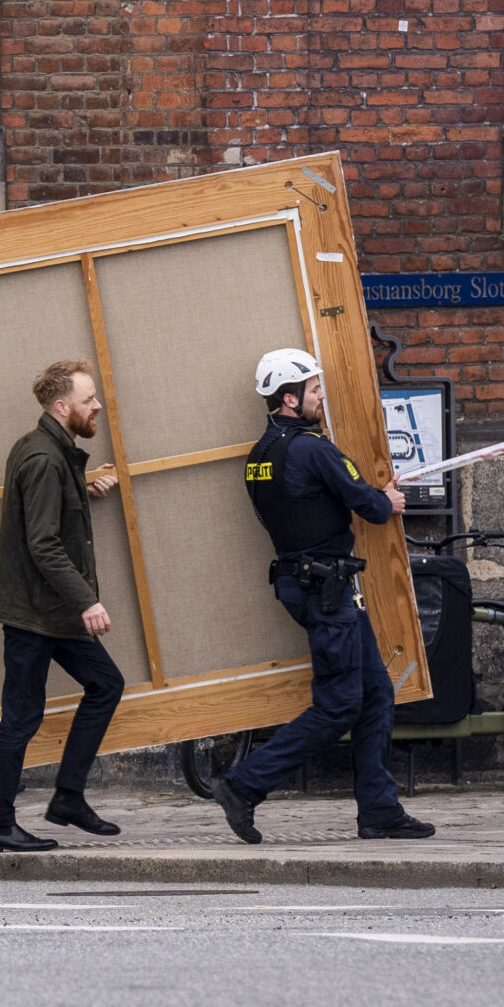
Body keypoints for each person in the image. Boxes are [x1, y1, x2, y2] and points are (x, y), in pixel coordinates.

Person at [212, 350, 435, 843]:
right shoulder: (313, 448)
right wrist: (388, 500)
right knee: (338, 706)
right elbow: (371, 507)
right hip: (327, 590)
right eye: (314, 390)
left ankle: (379, 810)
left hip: (307, 585)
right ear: (289, 398)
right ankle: (243, 785)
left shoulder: (260, 457)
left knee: (376, 694)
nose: (321, 397)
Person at [0, 360, 126, 852]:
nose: (97, 406)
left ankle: (68, 798)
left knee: (105, 685)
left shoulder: (49, 451)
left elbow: (40, 510)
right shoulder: (43, 458)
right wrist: (87, 601)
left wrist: (83, 488)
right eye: (88, 400)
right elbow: (42, 543)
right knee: (21, 717)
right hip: (35, 613)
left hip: (49, 611)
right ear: (62, 407)